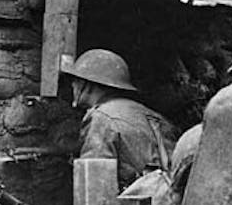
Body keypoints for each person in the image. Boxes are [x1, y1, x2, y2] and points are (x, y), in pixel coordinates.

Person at [61, 48, 176, 190]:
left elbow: (95, 183)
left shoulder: (101, 119)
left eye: (76, 81)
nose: (73, 85)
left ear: (87, 84)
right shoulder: (151, 115)